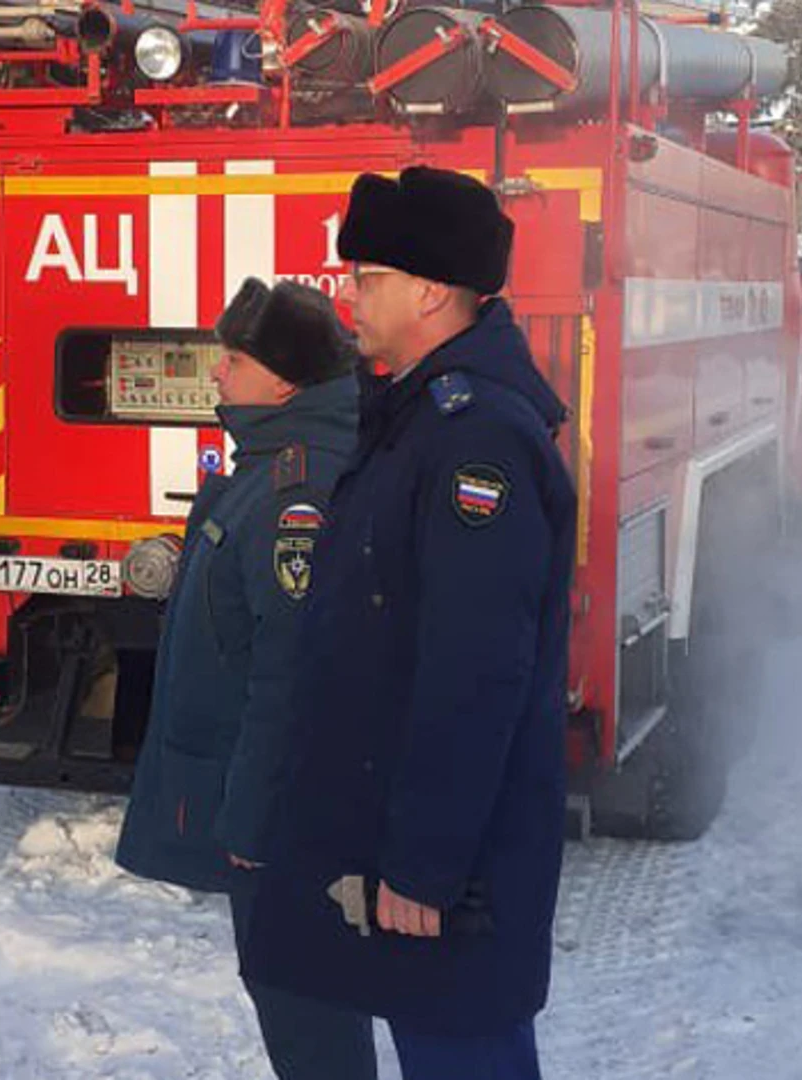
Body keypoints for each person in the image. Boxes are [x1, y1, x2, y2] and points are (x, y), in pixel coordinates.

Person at [237, 166, 577, 1079]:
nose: (349, 295)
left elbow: (475, 669)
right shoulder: (414, 414)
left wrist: (425, 865)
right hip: (394, 841)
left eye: (368, 277)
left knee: (464, 1047)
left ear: (431, 290)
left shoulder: (476, 440)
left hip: (449, 875)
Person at [113, 277, 374, 1079]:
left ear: (285, 379)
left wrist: (255, 822)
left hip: (287, 825)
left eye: (233, 359)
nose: (217, 374)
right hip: (271, 812)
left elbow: (290, 674)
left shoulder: (297, 491)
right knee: (292, 1004)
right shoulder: (268, 466)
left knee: (306, 1011)